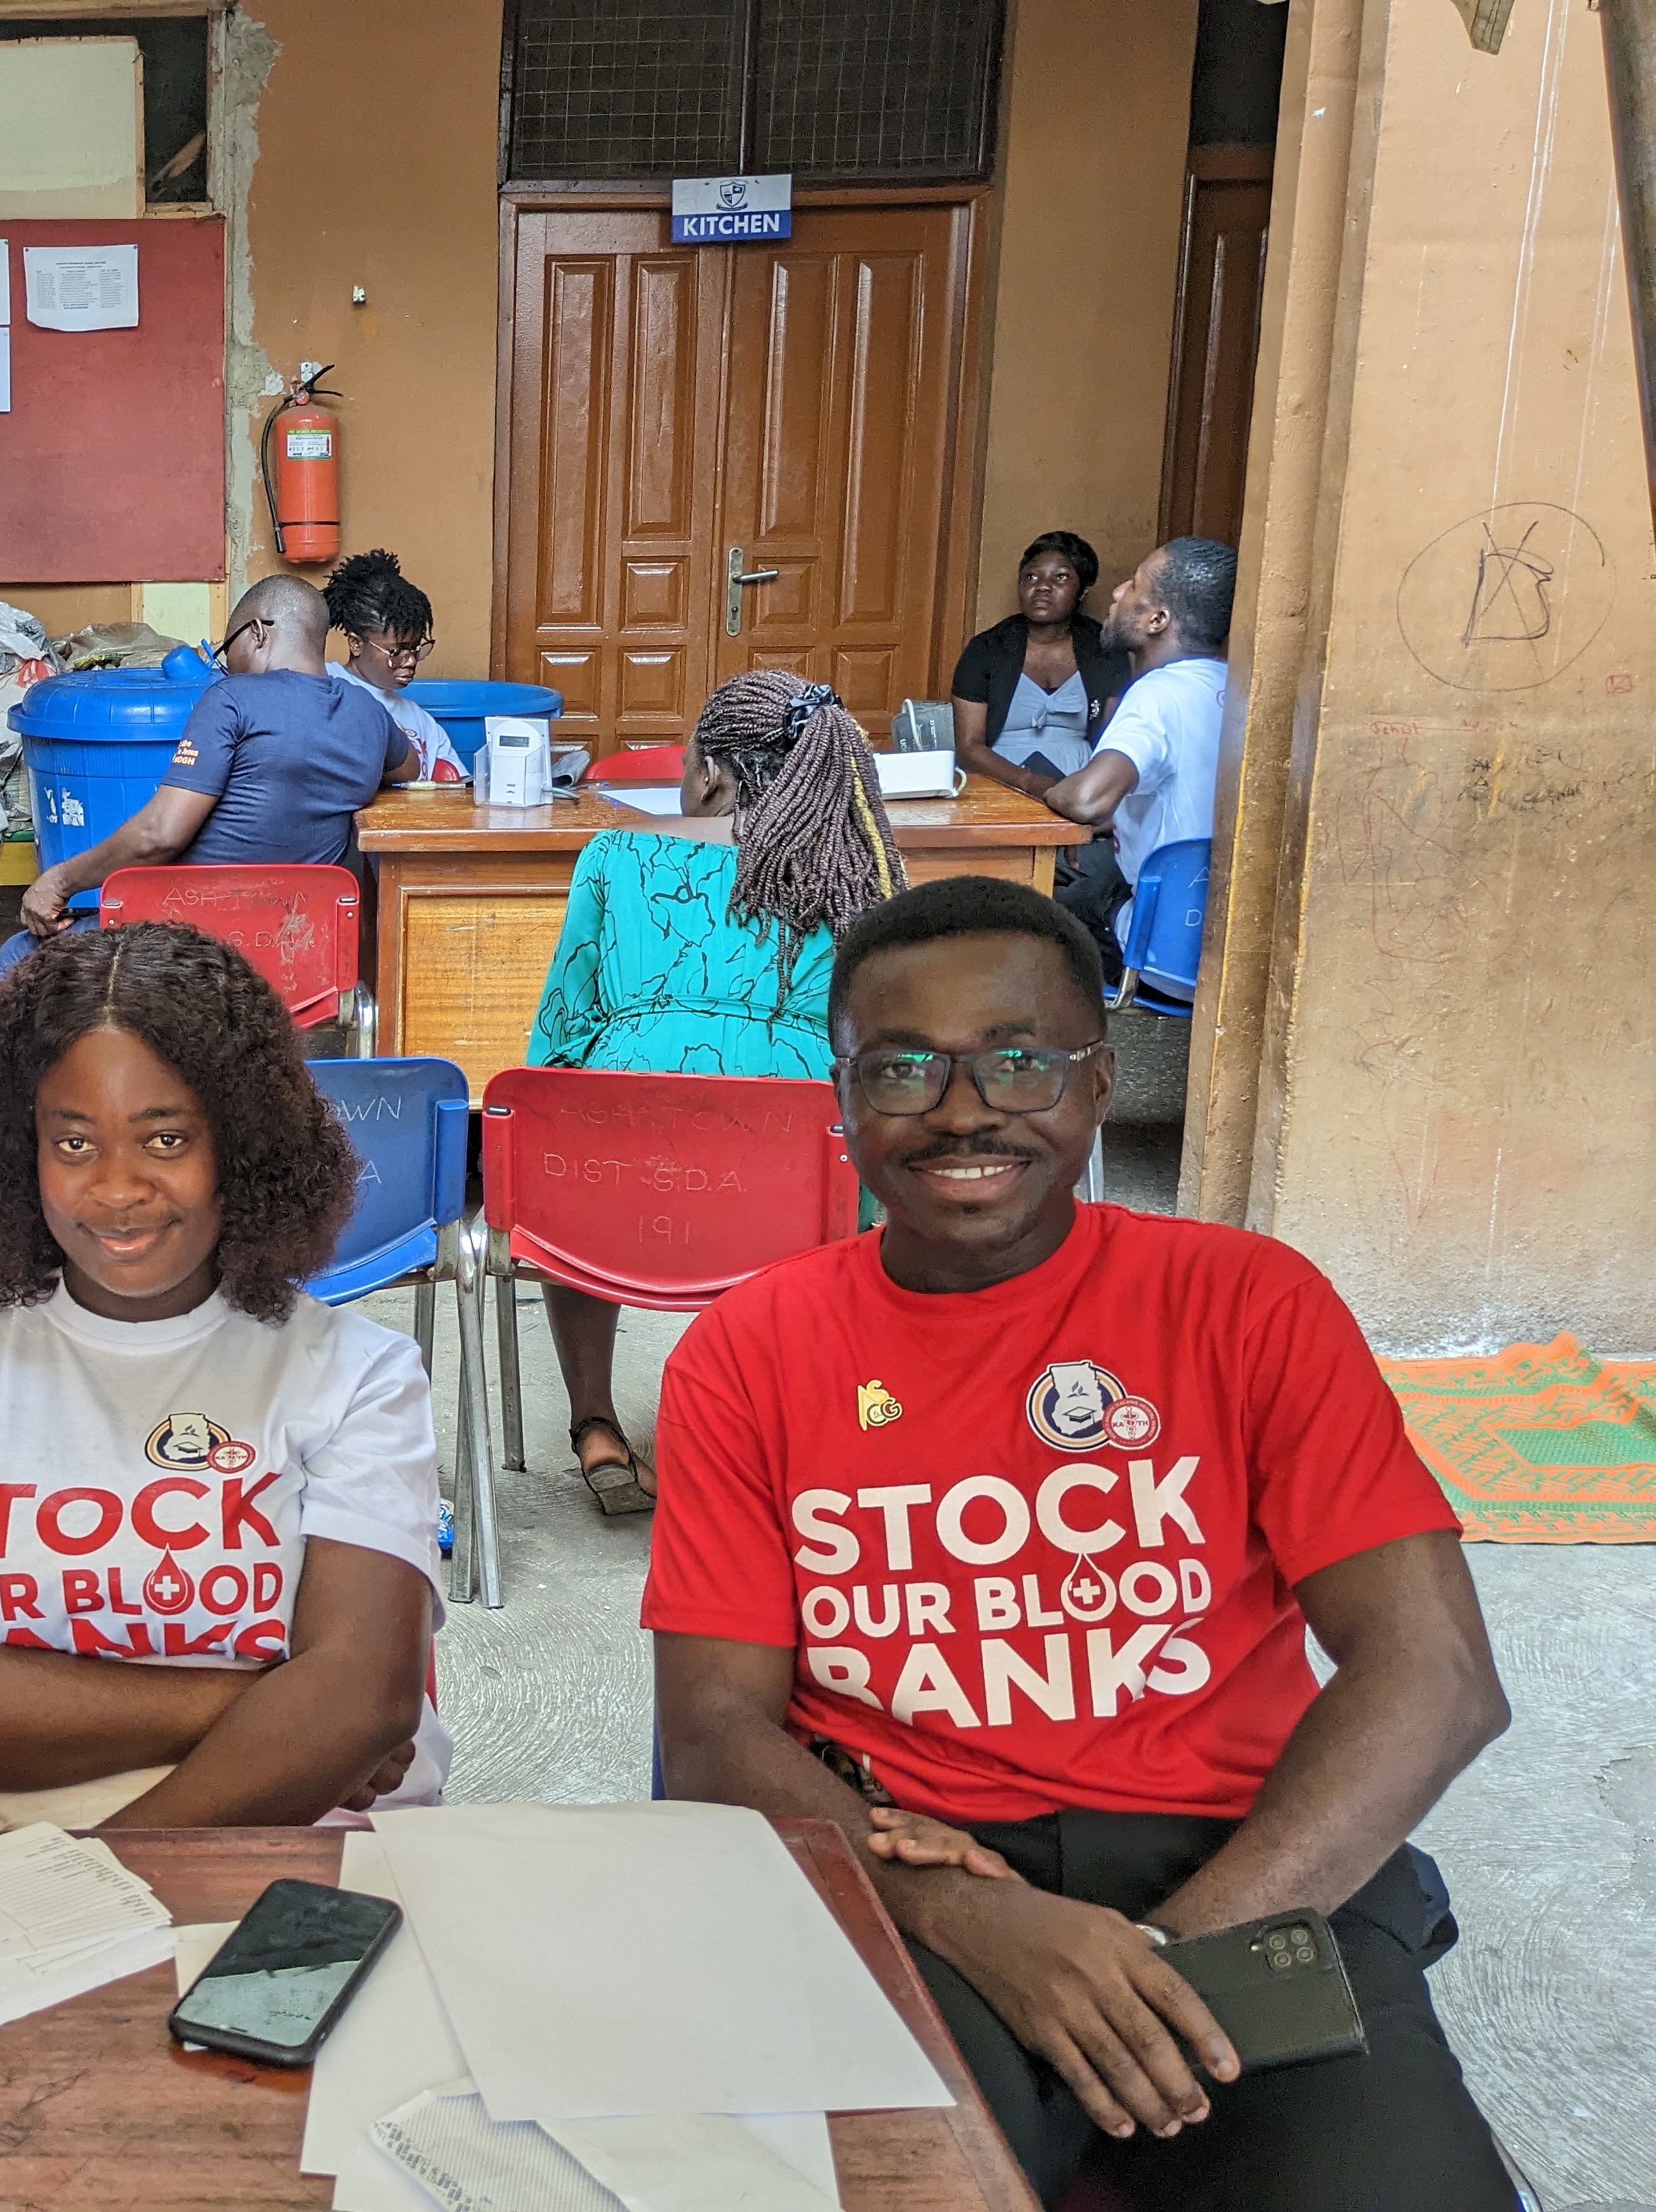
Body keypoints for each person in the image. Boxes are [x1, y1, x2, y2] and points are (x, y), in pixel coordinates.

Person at [646, 874, 1516, 2210]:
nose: (960, 1110)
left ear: (1098, 1080)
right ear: (840, 1097)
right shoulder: (747, 1348)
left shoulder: (1244, 1302)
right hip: (905, 1865)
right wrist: (968, 1913)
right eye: (900, 1068)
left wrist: (1154, 1962)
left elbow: (1436, 1675)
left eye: (1016, 1060)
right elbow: (712, 1729)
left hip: (1240, 1862)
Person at [0, 922, 445, 1832]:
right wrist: (271, 1702)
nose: (116, 1190)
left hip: (303, 1859)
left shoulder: (360, 1376)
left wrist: (96, 1879)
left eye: (165, 1139)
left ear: (243, 1143)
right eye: (74, 1144)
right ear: (20, 1147)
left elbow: (360, 1699)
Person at [524, 670, 907, 1513]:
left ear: (706, 775)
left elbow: (561, 1033)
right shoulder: (855, 885)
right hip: (790, 1213)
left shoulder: (617, 857)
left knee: (571, 1133)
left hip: (615, 1204)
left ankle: (595, 1424)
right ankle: (773, 1425)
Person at [15, 575, 420, 952]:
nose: (228, 666)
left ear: (258, 633)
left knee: (17, 955)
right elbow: (409, 770)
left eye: (229, 649)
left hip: (194, 947)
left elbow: (159, 836)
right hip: (298, 945)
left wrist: (59, 882)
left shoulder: (233, 698)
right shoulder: (369, 713)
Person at [1044, 537, 1235, 980]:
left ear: (1157, 620)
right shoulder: (1236, 685)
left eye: (1132, 585)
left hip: (1167, 955)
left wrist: (1054, 794)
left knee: (1046, 898)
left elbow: (1087, 799)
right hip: (1225, 952)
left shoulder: (1157, 694)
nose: (1116, 593)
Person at [949, 533, 1133, 798]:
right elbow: (969, 748)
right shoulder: (986, 650)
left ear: (1083, 591)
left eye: (1061, 577)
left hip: (1082, 791)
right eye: (1032, 577)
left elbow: (1115, 741)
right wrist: (1029, 782)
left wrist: (1082, 794)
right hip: (1000, 787)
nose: (1043, 587)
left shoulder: (1104, 650)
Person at [324, 549, 463, 782]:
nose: (411, 661)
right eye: (397, 652)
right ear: (356, 644)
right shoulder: (324, 686)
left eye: (416, 648)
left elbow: (453, 787)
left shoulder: (420, 720)